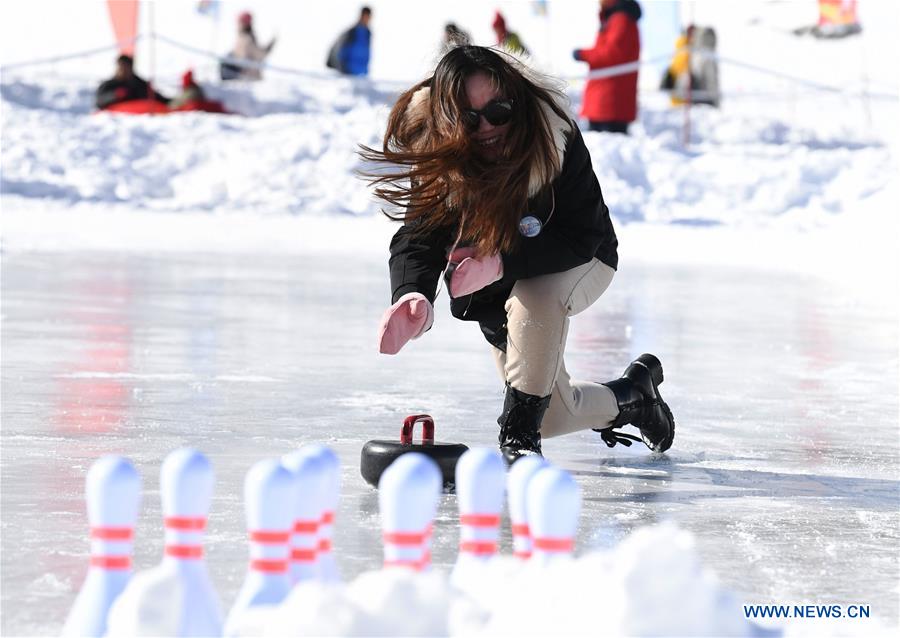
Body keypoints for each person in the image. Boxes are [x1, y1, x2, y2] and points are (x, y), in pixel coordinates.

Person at [361, 46, 674, 463]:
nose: (487, 127)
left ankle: (519, 444)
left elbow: (583, 233)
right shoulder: (437, 145)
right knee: (554, 414)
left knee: (536, 298)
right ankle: (634, 397)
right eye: (470, 119)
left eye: (499, 111)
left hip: (583, 258)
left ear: (516, 99)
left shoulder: (552, 135)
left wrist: (498, 263)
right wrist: (411, 293)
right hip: (501, 283)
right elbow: (420, 233)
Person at [572, 0, 642, 134]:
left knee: (608, 148)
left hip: (610, 103)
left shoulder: (621, 19)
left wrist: (583, 54)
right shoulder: (616, 18)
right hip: (606, 101)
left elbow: (611, 54)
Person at [95, 54, 169, 110]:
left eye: (126, 67)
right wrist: (114, 95)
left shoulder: (140, 84)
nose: (123, 70)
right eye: (121, 67)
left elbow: (157, 98)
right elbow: (99, 101)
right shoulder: (108, 85)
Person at [221, 11, 275, 81]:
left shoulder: (246, 39)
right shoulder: (243, 37)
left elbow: (261, 55)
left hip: (247, 78)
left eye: (240, 22)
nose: (238, 24)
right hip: (242, 77)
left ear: (244, 24)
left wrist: (270, 46)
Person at [326, 6, 372, 76]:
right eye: (365, 16)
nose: (367, 19)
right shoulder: (352, 31)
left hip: (360, 74)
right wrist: (342, 66)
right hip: (347, 72)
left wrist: (365, 70)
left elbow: (367, 53)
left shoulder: (368, 33)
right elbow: (342, 50)